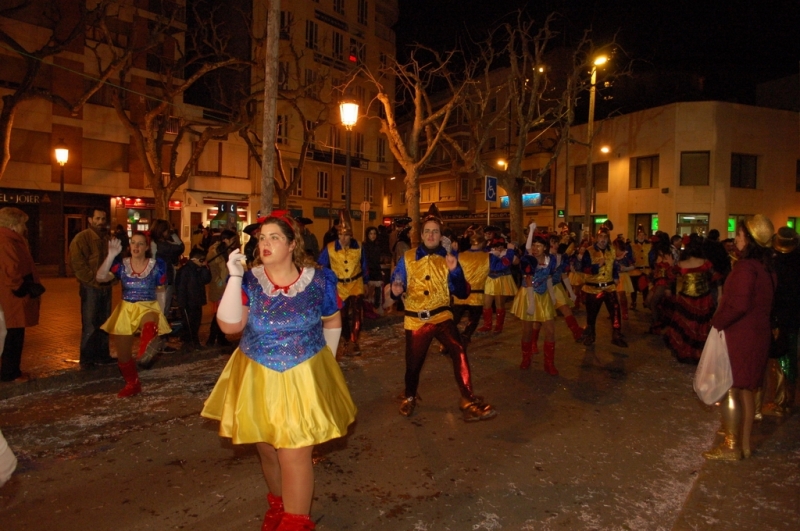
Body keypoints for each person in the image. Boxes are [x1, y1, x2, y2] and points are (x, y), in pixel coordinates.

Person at [201, 211, 356, 531]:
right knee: (269, 451)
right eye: (261, 238)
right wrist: (233, 276)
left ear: (291, 244)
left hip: (304, 376)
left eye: (274, 237)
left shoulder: (320, 280)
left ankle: (295, 522)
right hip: (258, 376)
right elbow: (231, 325)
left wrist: (323, 367)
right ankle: (279, 506)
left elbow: (332, 319)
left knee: (294, 453)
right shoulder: (250, 281)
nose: (265, 243)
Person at [390, 204, 496, 422]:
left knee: (458, 349)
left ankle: (468, 399)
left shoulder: (448, 258)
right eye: (427, 231)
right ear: (421, 234)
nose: (431, 235)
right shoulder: (408, 257)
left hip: (442, 317)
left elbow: (461, 291)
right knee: (413, 365)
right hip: (417, 320)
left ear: (440, 235)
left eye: (435, 231)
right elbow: (397, 279)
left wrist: (455, 271)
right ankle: (410, 396)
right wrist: (396, 287)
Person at [704, 215, 775, 461]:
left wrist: (717, 322)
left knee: (732, 389)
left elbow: (739, 304)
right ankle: (743, 446)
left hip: (742, 335)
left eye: (740, 235)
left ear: (750, 240)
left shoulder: (746, 268)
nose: (736, 240)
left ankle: (731, 446)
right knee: (746, 390)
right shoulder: (765, 267)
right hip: (757, 334)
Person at [96, 232, 171, 396]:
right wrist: (110, 255)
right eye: (133, 243)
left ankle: (146, 349)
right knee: (123, 355)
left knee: (149, 322)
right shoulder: (121, 265)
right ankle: (132, 383)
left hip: (148, 306)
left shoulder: (157, 265)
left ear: (146, 247)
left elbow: (161, 291)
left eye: (140, 243)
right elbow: (100, 277)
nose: (136, 247)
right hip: (126, 308)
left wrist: (161, 313)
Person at [758, 226, 800, 418]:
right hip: (790, 316)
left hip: (779, 315)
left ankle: (775, 401)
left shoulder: (773, 262)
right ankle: (783, 400)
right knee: (786, 359)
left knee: (776, 358)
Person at [69, 207, 117, 369]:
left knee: (104, 322)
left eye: (103, 219)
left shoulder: (107, 239)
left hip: (105, 286)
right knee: (90, 323)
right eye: (97, 218)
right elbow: (78, 265)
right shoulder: (82, 239)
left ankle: (102, 355)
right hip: (90, 287)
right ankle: (88, 358)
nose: (100, 222)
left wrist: (112, 279)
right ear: (90, 220)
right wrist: (94, 281)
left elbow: (115, 262)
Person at [0, 207, 41, 383]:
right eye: (23, 223)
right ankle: (10, 372)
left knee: (14, 333)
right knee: (14, 335)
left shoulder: (12, 239)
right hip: (12, 296)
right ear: (13, 224)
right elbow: (12, 269)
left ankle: (12, 371)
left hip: (12, 294)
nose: (25, 227)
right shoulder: (7, 241)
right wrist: (23, 287)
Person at [317, 210, 367, 356]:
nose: (343, 238)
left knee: (358, 314)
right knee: (342, 315)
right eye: (340, 235)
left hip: (356, 283)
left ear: (351, 235)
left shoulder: (359, 246)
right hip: (339, 286)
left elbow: (364, 265)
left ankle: (354, 340)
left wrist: (368, 283)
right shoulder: (330, 248)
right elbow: (322, 265)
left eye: (346, 235)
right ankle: (345, 338)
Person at [662, 234, 716, 363]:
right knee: (699, 327)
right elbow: (715, 278)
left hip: (687, 299)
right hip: (703, 298)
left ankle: (687, 352)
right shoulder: (705, 262)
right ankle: (699, 354)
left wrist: (670, 266)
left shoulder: (681, 263)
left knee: (687, 326)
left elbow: (670, 275)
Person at [513, 234, 558, 374]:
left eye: (538, 245)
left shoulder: (551, 260)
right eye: (533, 245)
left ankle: (549, 364)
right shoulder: (527, 260)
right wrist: (531, 303)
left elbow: (549, 277)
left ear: (545, 247)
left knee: (550, 331)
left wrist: (552, 295)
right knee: (527, 331)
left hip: (543, 296)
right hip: (528, 295)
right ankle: (526, 358)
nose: (535, 248)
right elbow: (528, 280)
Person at [579, 222, 627, 348]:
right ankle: (591, 335)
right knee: (592, 315)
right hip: (593, 288)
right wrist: (596, 266)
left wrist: (616, 276)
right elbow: (584, 268)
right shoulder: (589, 251)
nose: (603, 240)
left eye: (605, 237)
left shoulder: (612, 250)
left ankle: (616, 335)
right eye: (601, 237)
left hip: (610, 287)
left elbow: (614, 265)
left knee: (616, 312)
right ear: (596, 238)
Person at [450, 227, 490, 346]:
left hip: (460, 295)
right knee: (473, 321)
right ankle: (465, 336)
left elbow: (451, 268)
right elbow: (504, 264)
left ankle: (447, 341)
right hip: (477, 297)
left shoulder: (460, 256)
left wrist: (454, 252)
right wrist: (510, 252)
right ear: (483, 242)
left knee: (453, 320)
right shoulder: (488, 257)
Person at [477, 237, 518, 334]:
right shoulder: (489, 254)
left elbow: (516, 262)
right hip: (490, 280)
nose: (499, 249)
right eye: (496, 247)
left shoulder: (507, 253)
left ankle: (499, 326)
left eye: (500, 246)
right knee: (486, 304)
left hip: (501, 280)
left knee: (499, 304)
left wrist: (510, 254)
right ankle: (487, 325)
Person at [547, 234, 583, 342]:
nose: (556, 245)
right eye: (553, 242)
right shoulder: (544, 257)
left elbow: (563, 274)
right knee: (541, 318)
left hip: (557, 287)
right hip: (544, 289)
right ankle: (533, 342)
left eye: (557, 242)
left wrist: (571, 292)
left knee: (566, 309)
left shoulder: (560, 257)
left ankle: (576, 332)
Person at [206, 229, 237, 347]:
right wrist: (220, 282)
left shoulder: (227, 251)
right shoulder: (215, 252)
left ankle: (219, 337)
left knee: (223, 313)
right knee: (220, 313)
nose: (234, 242)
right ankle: (213, 337)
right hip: (220, 286)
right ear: (225, 239)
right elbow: (214, 270)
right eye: (232, 240)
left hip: (227, 285)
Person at [176, 248, 212, 350]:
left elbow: (206, 280)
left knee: (196, 323)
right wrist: (181, 303)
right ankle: (190, 343)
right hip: (188, 302)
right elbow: (181, 287)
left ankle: (194, 343)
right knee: (189, 324)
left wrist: (205, 268)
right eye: (202, 260)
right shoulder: (185, 270)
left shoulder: (199, 269)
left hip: (197, 300)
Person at [149, 219, 185, 315]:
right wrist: (173, 233)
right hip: (165, 278)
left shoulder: (152, 243)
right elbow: (180, 246)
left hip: (155, 279)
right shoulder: (164, 245)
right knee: (163, 307)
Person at [628, 225, 652, 311]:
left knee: (645, 287)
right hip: (635, 270)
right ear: (637, 236)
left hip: (646, 269)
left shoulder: (649, 246)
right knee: (633, 288)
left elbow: (651, 257)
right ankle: (633, 302)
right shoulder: (632, 246)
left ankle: (645, 301)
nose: (641, 237)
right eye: (640, 235)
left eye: (643, 235)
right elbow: (629, 257)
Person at [362, 226, 384, 312]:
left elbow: (377, 260)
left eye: (374, 233)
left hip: (376, 272)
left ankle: (375, 309)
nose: (373, 236)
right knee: (368, 294)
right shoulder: (365, 246)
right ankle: (368, 311)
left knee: (377, 294)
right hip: (368, 272)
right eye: (371, 233)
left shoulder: (378, 246)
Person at [613, 239, 635, 320]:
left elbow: (633, 266)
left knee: (622, 295)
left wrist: (626, 268)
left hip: (622, 277)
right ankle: (614, 311)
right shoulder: (612, 254)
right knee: (613, 296)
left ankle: (624, 312)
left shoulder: (626, 255)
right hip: (613, 277)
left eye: (616, 246)